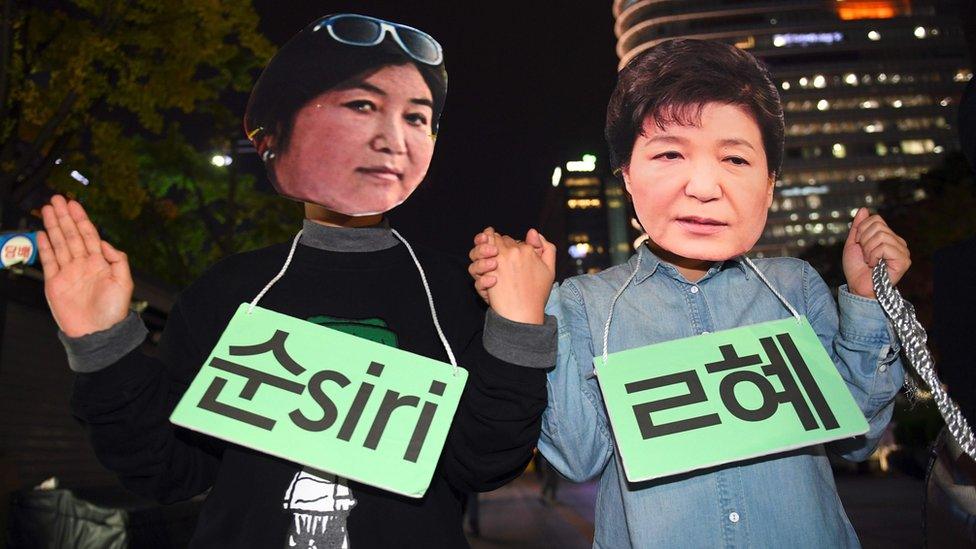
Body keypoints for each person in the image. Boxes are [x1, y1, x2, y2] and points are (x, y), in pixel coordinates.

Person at [37, 14, 555, 548]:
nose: (392, 139)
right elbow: (168, 470)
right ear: (276, 132)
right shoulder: (225, 291)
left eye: (418, 118)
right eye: (361, 105)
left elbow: (483, 463)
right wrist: (102, 346)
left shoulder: (456, 289)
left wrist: (518, 330)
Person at [470, 39, 909, 547]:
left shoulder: (795, 287)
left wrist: (867, 300)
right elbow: (576, 456)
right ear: (627, 177)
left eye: (736, 160)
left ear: (770, 184)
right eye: (671, 153)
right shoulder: (585, 303)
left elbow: (856, 438)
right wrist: (529, 311)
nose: (703, 186)